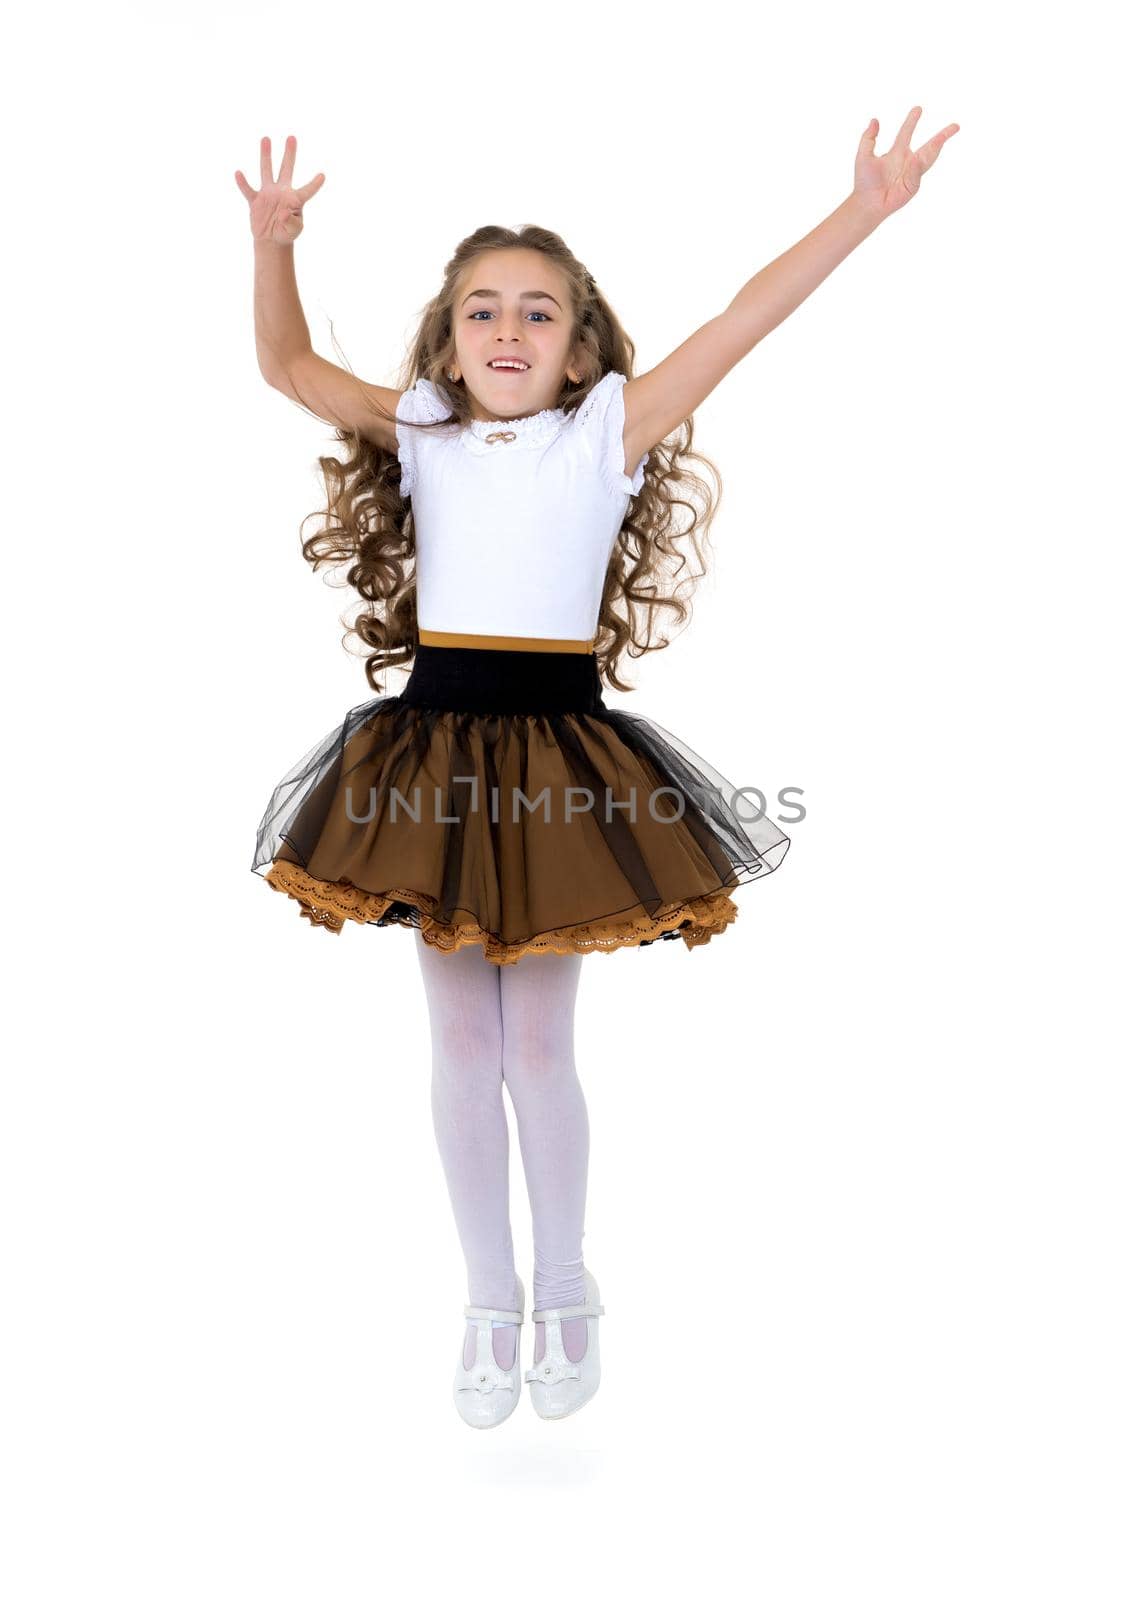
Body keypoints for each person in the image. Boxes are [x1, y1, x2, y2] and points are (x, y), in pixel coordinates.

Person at [235, 110, 959, 1428]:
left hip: (558, 760)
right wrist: (271, 239)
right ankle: (485, 1296)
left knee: (539, 1049)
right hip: (435, 754)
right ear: (446, 342)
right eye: (481, 313)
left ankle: (566, 1286)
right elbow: (286, 362)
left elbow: (745, 320)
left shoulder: (607, 434)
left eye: (540, 315)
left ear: (581, 347)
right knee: (459, 1041)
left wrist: (863, 210)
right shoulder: (423, 432)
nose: (508, 333)